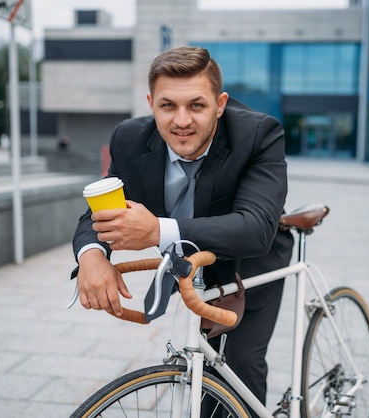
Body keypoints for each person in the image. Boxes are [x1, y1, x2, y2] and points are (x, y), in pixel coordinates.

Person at [71, 46, 294, 413]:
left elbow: (255, 229)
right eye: (168, 105)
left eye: (196, 105)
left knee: (241, 365)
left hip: (249, 264)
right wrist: (93, 254)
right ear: (150, 102)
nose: (181, 120)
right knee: (200, 366)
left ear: (220, 104)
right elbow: (98, 212)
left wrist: (156, 230)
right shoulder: (129, 139)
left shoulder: (258, 134)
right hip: (191, 268)